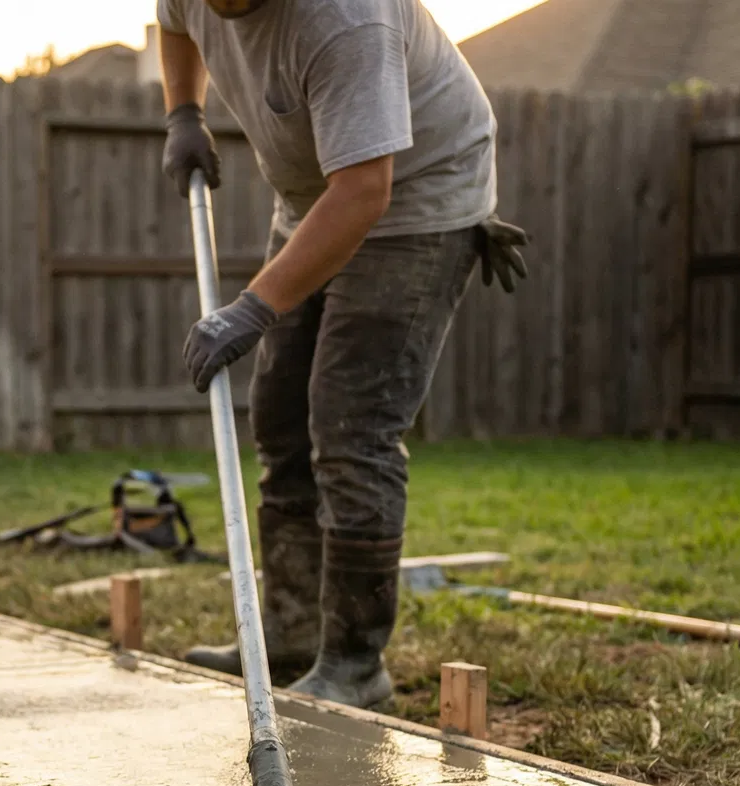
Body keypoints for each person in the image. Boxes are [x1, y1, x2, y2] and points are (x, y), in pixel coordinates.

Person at [159, 0, 526, 708]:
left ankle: (355, 664)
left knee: (351, 426)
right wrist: (183, 114)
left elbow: (363, 192)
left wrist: (254, 308)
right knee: (281, 420)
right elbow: (174, 22)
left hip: (415, 202)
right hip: (313, 200)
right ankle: (290, 634)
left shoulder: (345, 19)